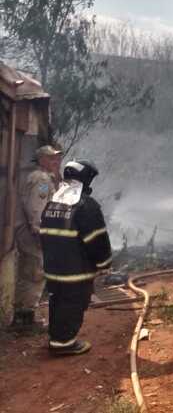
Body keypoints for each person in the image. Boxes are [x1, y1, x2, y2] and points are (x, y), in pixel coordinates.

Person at [39, 160, 112, 355]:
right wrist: (104, 264)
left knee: (58, 301)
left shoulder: (54, 201)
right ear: (85, 180)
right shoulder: (86, 206)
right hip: (76, 270)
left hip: (53, 269)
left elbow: (45, 233)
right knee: (73, 303)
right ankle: (64, 344)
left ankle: (57, 339)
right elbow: (96, 239)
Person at [12, 145, 62, 330]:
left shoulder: (40, 177)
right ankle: (26, 320)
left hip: (28, 231)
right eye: (50, 158)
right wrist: (39, 231)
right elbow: (37, 207)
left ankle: (22, 316)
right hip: (34, 233)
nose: (55, 162)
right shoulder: (41, 179)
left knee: (29, 272)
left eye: (56, 158)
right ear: (41, 160)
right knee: (35, 272)